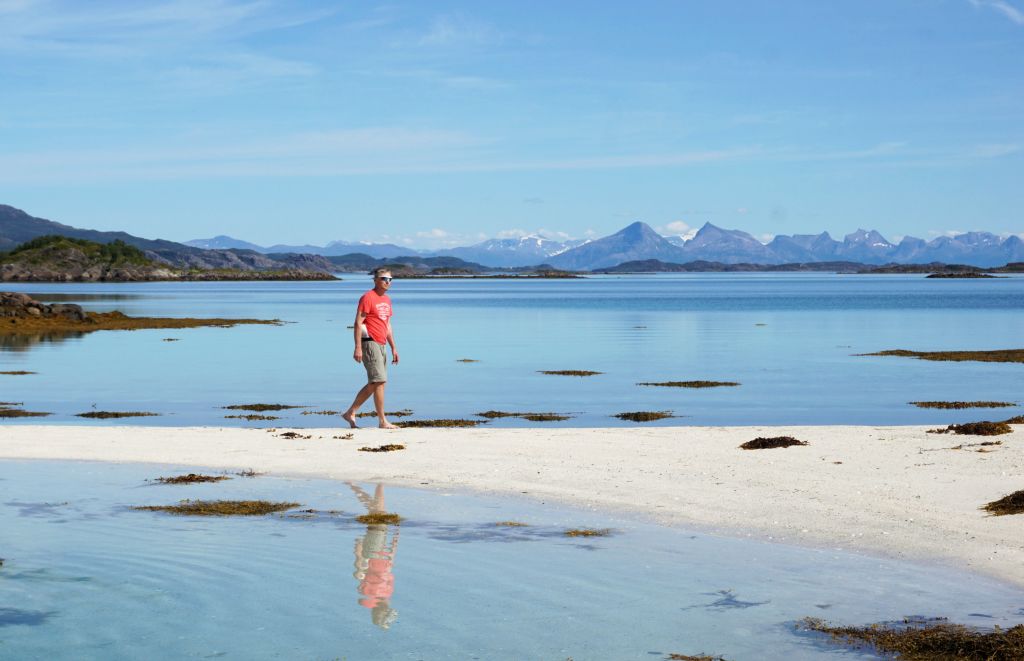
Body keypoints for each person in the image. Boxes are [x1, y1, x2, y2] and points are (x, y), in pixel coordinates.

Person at [343, 268, 399, 429]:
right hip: (369, 341)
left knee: (379, 382)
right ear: (375, 280)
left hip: (382, 343)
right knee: (378, 380)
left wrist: (393, 347)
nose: (387, 282)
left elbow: (387, 325)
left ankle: (376, 419)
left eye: (390, 279)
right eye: (384, 279)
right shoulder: (368, 297)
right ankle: (358, 414)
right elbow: (358, 323)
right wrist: (357, 347)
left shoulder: (387, 300)